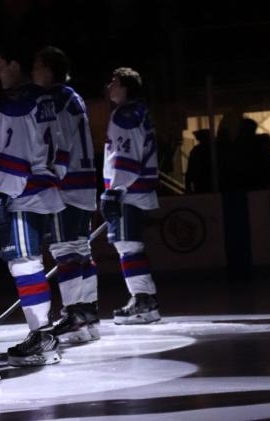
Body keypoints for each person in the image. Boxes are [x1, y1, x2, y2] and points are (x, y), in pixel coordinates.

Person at [0, 43, 65, 366]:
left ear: (15, 64)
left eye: (0, 64)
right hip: (44, 189)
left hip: (23, 193)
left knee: (25, 263)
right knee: (29, 261)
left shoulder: (14, 103)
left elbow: (12, 157)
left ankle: (43, 335)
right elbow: (63, 150)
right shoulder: (48, 97)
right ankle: (43, 333)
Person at [31, 46, 100, 343]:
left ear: (47, 69)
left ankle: (73, 315)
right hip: (84, 182)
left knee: (64, 250)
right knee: (81, 249)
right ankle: (88, 314)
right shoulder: (74, 96)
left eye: (36, 67)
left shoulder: (52, 99)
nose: (33, 73)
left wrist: (50, 177)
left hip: (66, 184)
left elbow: (57, 142)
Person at [101, 67, 161, 325]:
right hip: (136, 189)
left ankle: (143, 300)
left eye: (114, 82)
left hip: (129, 192)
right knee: (129, 245)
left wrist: (115, 191)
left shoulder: (125, 114)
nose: (109, 86)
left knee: (127, 246)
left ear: (125, 86)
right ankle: (143, 298)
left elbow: (126, 158)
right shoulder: (138, 111)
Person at [185, 128, 213, 193]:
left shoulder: (196, 151)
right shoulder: (214, 150)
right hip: (209, 184)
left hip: (200, 184)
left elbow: (190, 170)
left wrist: (188, 185)